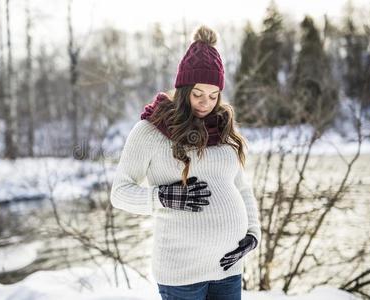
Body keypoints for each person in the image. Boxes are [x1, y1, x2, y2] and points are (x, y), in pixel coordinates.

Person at [110, 25, 261, 300]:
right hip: (181, 274)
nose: (206, 103)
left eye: (214, 96)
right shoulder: (151, 131)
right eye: (198, 94)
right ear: (183, 89)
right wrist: (163, 197)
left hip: (228, 268)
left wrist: (252, 234)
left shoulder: (223, 129)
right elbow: (120, 192)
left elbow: (241, 188)